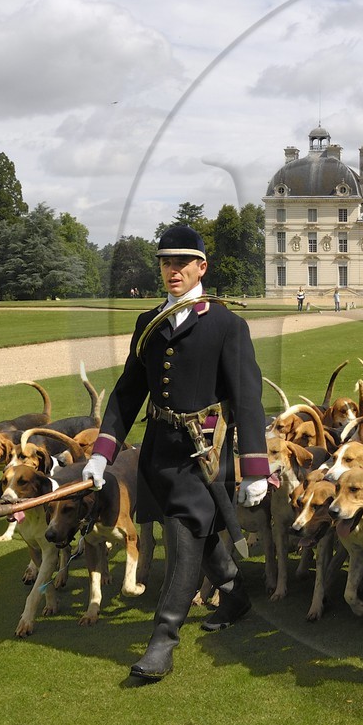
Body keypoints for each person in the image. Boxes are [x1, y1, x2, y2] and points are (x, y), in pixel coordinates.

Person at [81, 225, 270, 681]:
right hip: (158, 451)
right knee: (197, 534)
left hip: (206, 452)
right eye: (166, 262)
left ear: (202, 267)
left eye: (183, 262)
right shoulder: (149, 323)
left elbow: (247, 397)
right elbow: (128, 393)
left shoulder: (227, 325)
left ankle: (162, 640)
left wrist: (255, 468)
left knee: (183, 535)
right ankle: (235, 593)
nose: (173, 270)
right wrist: (103, 452)